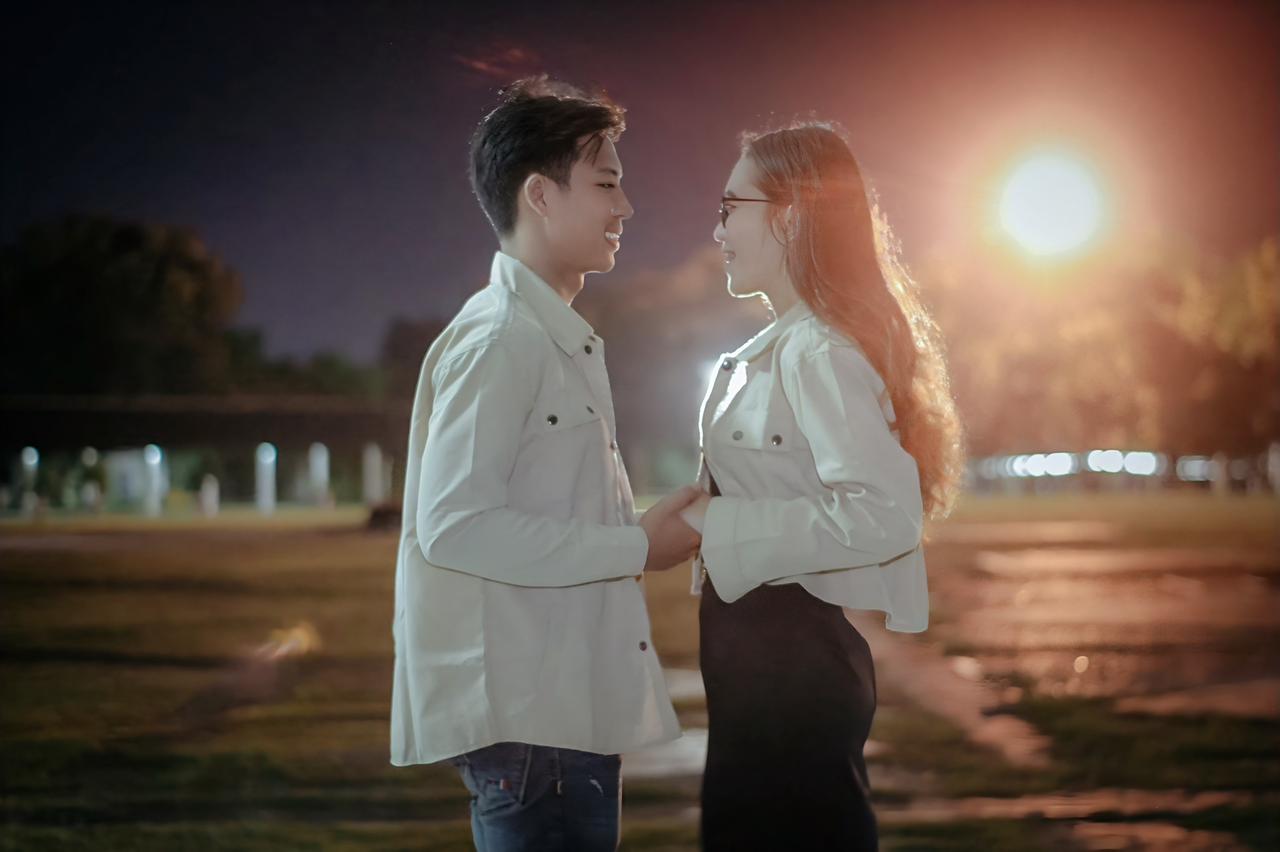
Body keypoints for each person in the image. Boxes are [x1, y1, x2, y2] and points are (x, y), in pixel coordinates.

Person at [390, 76, 702, 852]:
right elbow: (455, 525)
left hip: (556, 718)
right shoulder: (503, 340)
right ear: (540, 194)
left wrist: (639, 533)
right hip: (537, 730)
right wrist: (635, 547)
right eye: (606, 183)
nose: (626, 207)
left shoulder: (545, 335)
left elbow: (533, 512)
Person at [679, 123, 965, 851]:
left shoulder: (818, 352)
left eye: (730, 207)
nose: (717, 230)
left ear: (789, 216)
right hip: (764, 666)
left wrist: (719, 523)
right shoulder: (789, 347)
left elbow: (883, 514)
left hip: (792, 667)